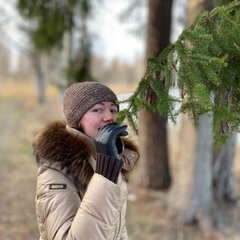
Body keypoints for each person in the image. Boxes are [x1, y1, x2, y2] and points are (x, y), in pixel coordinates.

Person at [32, 81, 139, 240]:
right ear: (77, 120)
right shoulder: (55, 171)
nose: (109, 117)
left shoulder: (112, 158)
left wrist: (109, 161)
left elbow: (116, 227)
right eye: (97, 109)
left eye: (113, 109)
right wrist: (105, 174)